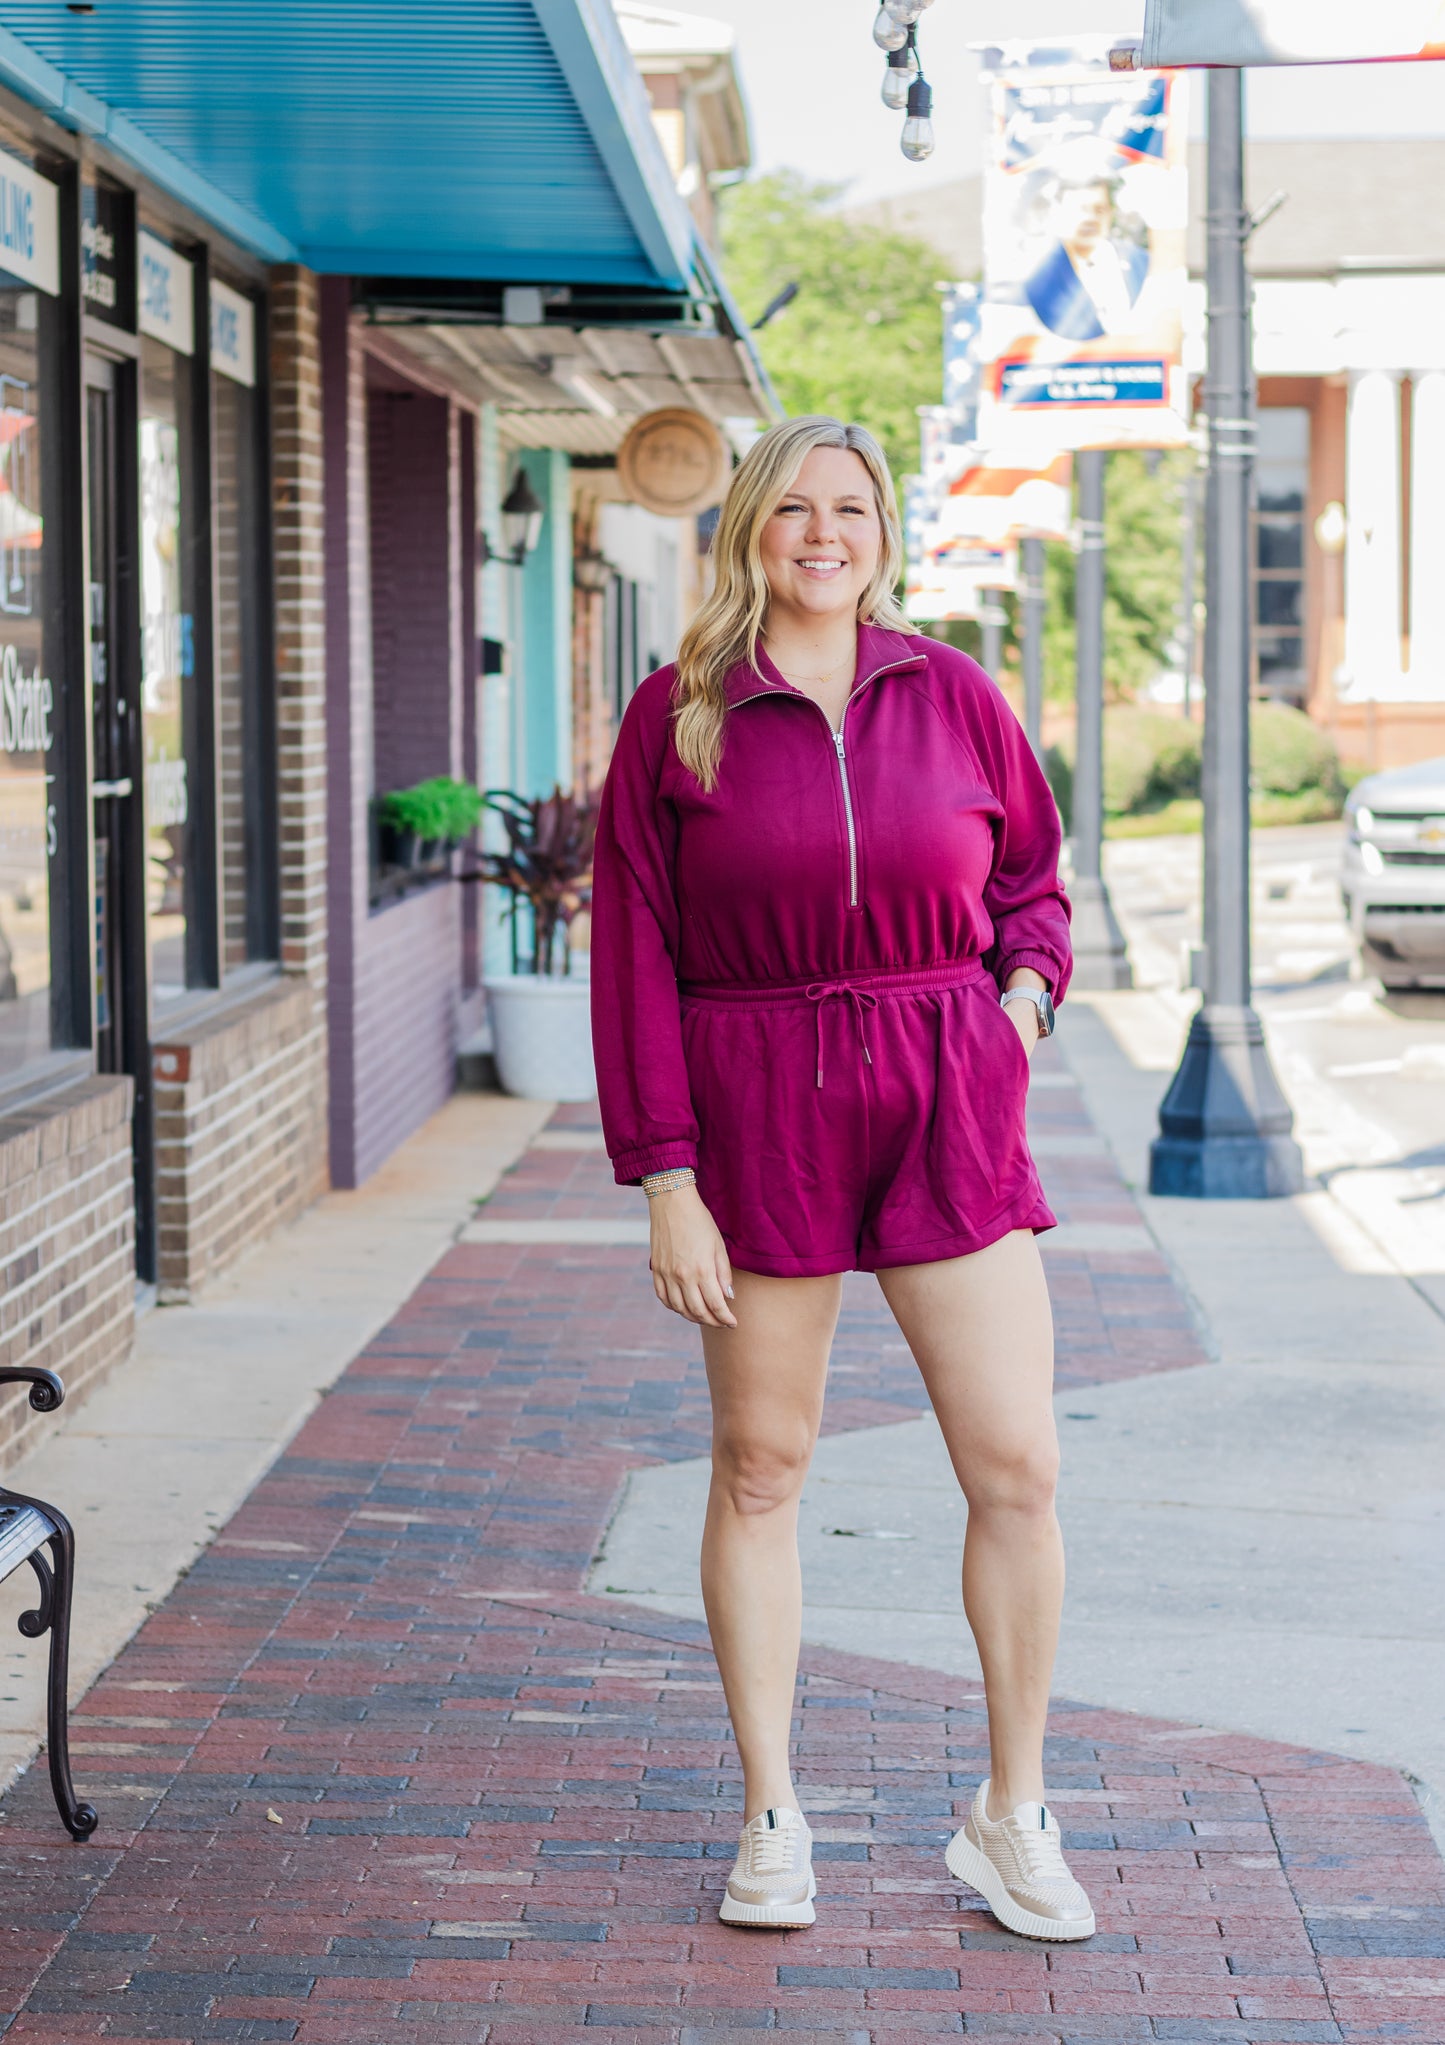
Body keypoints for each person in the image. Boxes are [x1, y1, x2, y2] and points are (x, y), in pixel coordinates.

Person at [589, 415, 1092, 1943]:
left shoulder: (951, 695)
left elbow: (1030, 885)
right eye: (793, 507)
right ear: (748, 526)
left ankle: (1009, 1813)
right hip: (757, 1106)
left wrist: (1014, 1008)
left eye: (850, 509)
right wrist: (665, 1175)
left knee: (1016, 1464)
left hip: (946, 1094)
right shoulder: (676, 715)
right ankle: (771, 1814)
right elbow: (634, 955)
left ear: (886, 533)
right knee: (760, 1465)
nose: (822, 532)